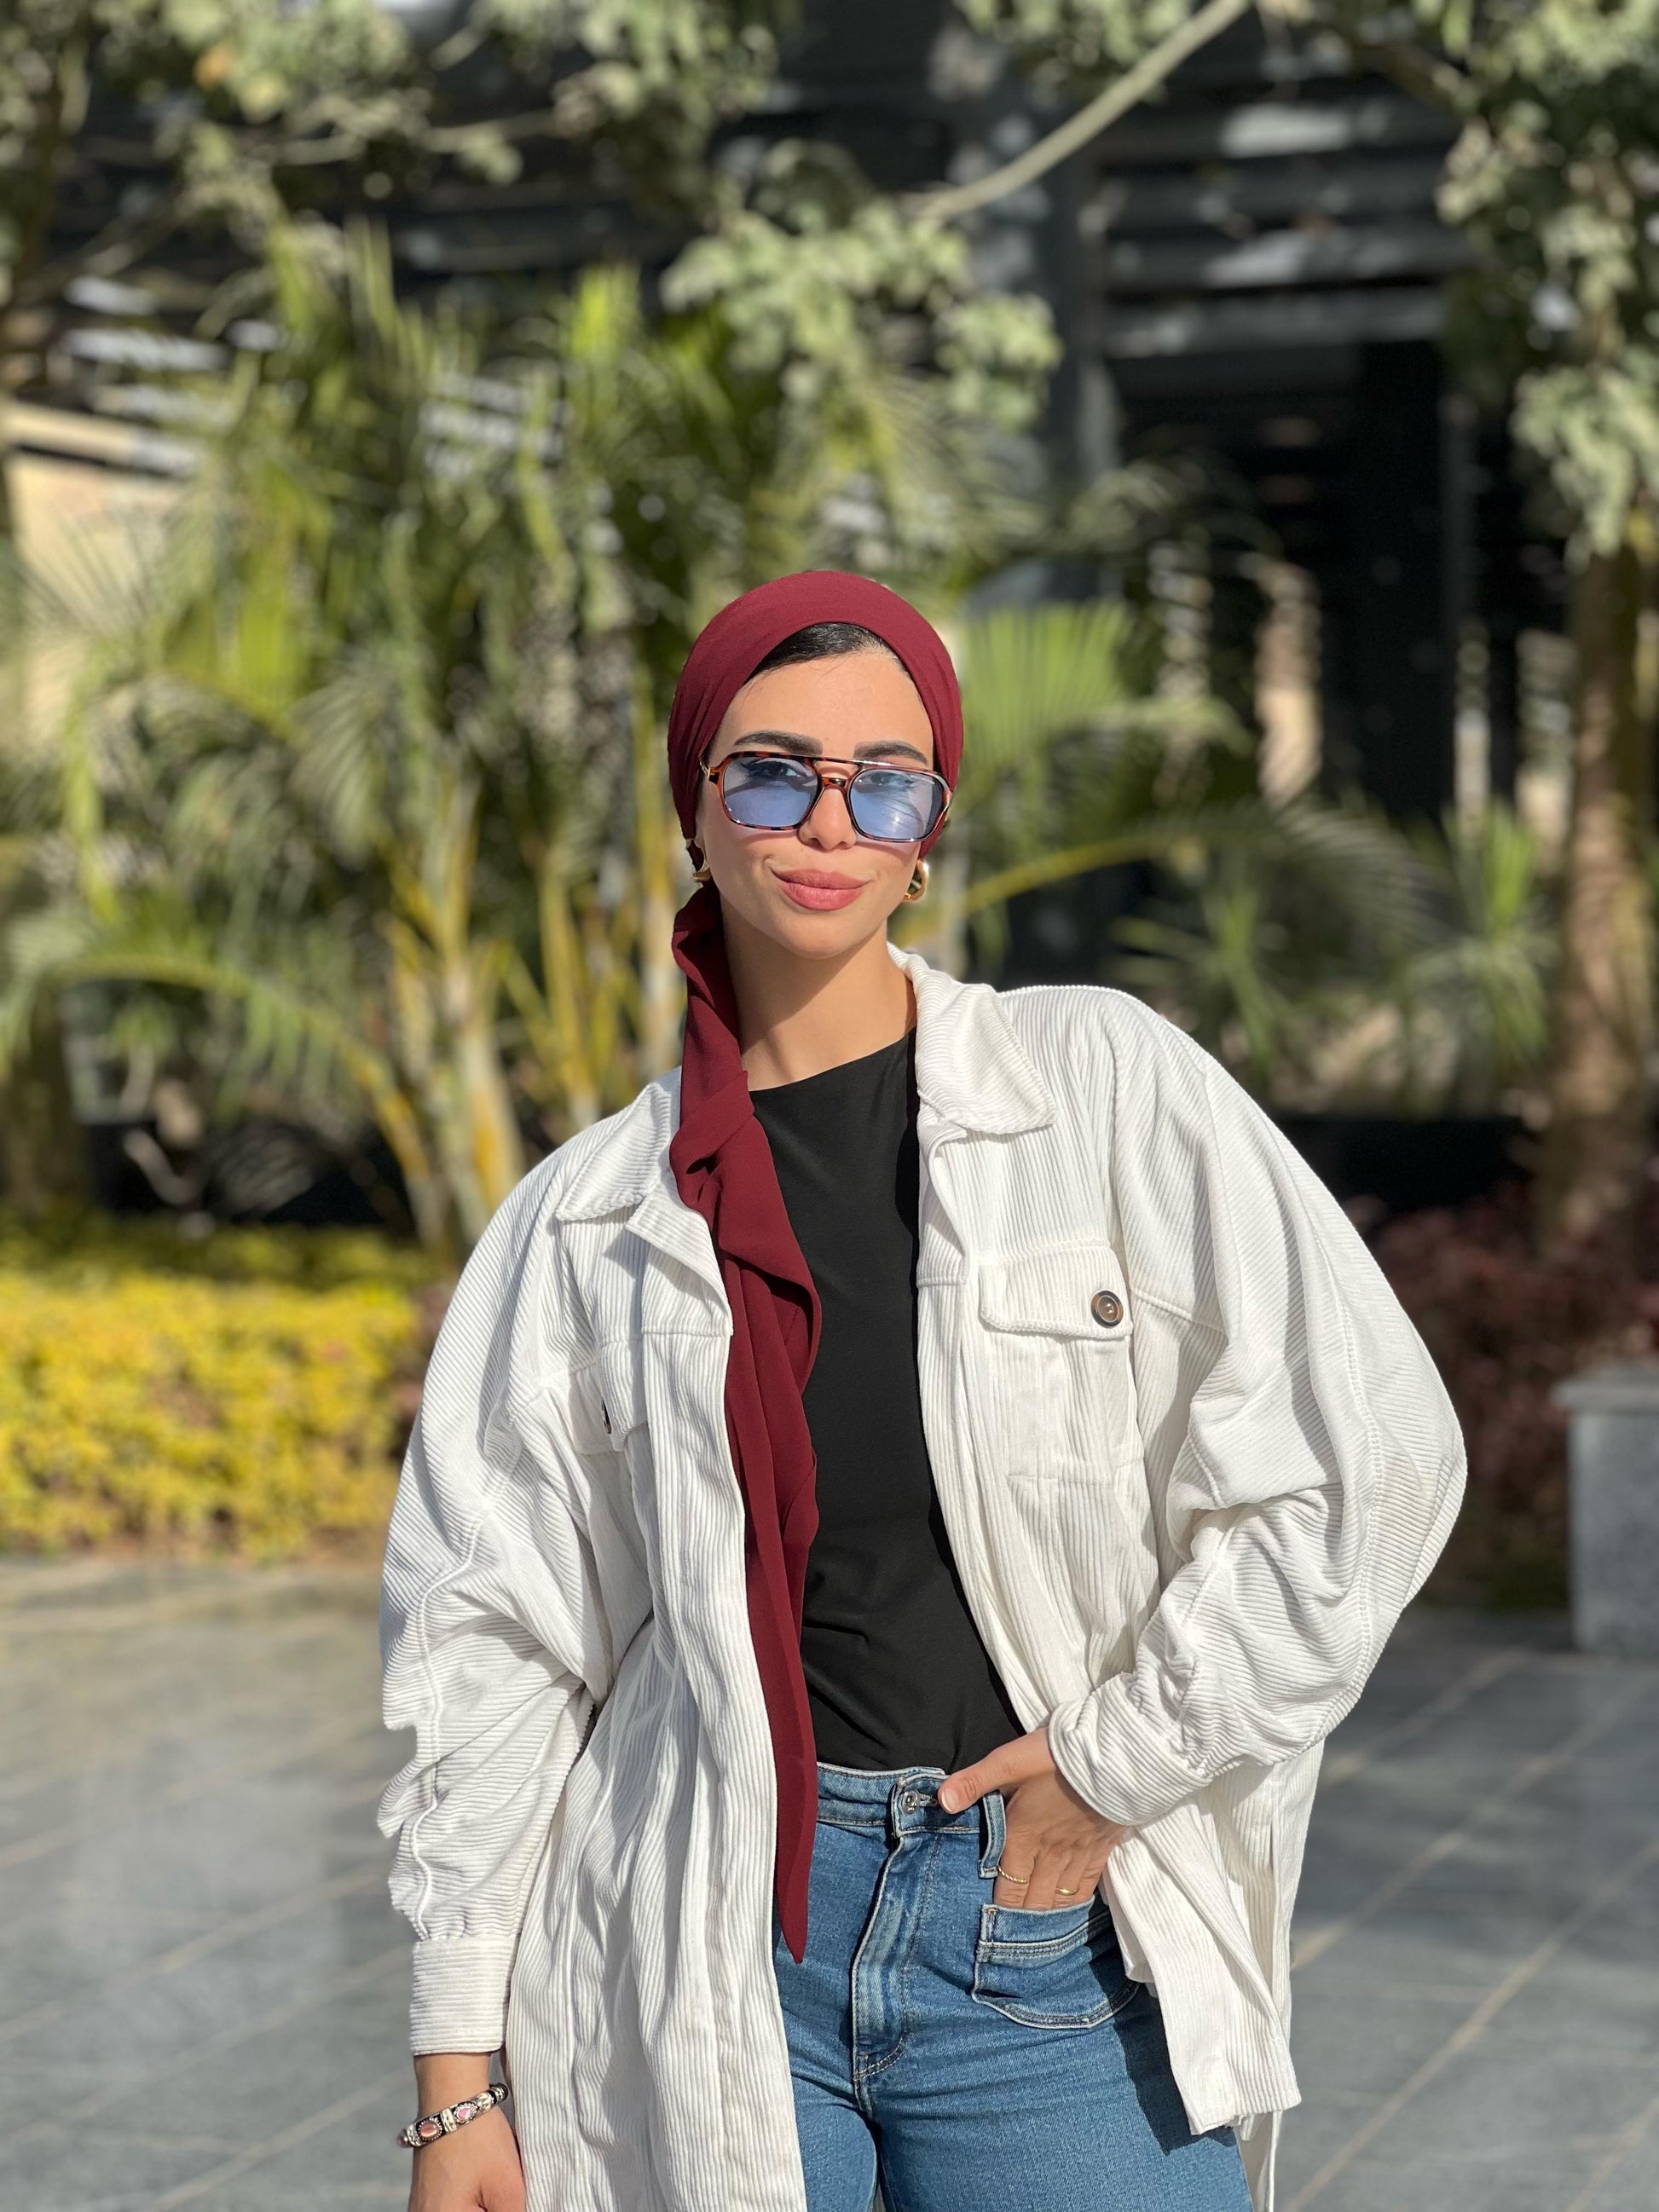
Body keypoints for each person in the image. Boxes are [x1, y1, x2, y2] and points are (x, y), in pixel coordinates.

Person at [378, 571, 1465, 2212]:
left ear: (927, 832)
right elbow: (491, 1641)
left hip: (1040, 1931)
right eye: (770, 773)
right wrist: (456, 2081)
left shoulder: (1098, 1084)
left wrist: (1114, 1767)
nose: (827, 820)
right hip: (710, 1939)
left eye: (883, 781)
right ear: (694, 808)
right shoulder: (586, 1218)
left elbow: (1368, 1457)